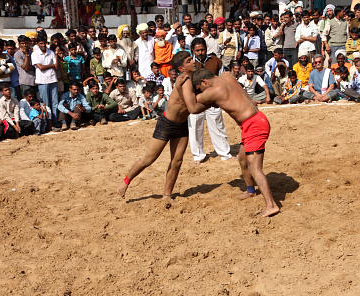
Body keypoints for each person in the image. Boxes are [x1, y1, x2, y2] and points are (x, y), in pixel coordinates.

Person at [176, 68, 279, 217]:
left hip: (254, 125)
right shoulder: (226, 76)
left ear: (204, 82)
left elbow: (192, 107)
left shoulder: (214, 91)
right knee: (242, 159)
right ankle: (251, 191)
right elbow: (229, 84)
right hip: (254, 120)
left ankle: (271, 204)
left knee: (254, 167)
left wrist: (180, 87)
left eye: (200, 89)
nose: (201, 92)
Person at [117, 52, 196, 205]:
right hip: (166, 123)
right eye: (189, 61)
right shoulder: (183, 80)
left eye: (192, 59)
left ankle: (167, 195)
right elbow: (192, 105)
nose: (193, 62)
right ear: (181, 67)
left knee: (177, 161)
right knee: (148, 159)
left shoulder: (194, 78)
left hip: (182, 124)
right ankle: (126, 181)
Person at [189, 37, 232, 165]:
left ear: (206, 49)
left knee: (218, 126)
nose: (200, 52)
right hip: (196, 100)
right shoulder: (189, 64)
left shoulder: (216, 61)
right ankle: (198, 155)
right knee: (195, 127)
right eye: (197, 50)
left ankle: (224, 153)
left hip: (213, 100)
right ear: (193, 50)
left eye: (202, 50)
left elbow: (222, 79)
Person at [31, 34, 61, 131]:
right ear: (37, 44)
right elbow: (41, 67)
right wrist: (52, 65)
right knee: (45, 103)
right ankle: (48, 123)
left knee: (55, 103)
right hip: (42, 81)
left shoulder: (51, 52)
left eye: (44, 43)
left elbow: (56, 67)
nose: (43, 45)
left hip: (52, 79)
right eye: (41, 43)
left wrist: (56, 55)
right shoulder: (35, 54)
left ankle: (55, 122)